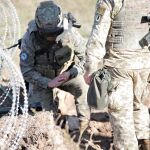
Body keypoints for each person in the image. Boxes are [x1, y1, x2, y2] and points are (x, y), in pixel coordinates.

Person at [84, 0, 150, 149]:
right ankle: (145, 141)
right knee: (139, 104)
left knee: (121, 114)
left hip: (119, 66)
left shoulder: (110, 1)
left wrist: (90, 68)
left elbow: (97, 37)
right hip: (145, 65)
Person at [20, 0, 90, 134]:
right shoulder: (29, 38)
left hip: (66, 74)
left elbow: (87, 57)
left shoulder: (71, 32)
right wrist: (47, 83)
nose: (51, 37)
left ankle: (83, 130)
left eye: (55, 32)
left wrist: (73, 72)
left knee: (83, 88)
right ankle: (55, 130)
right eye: (47, 34)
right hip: (42, 80)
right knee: (39, 114)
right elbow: (26, 70)